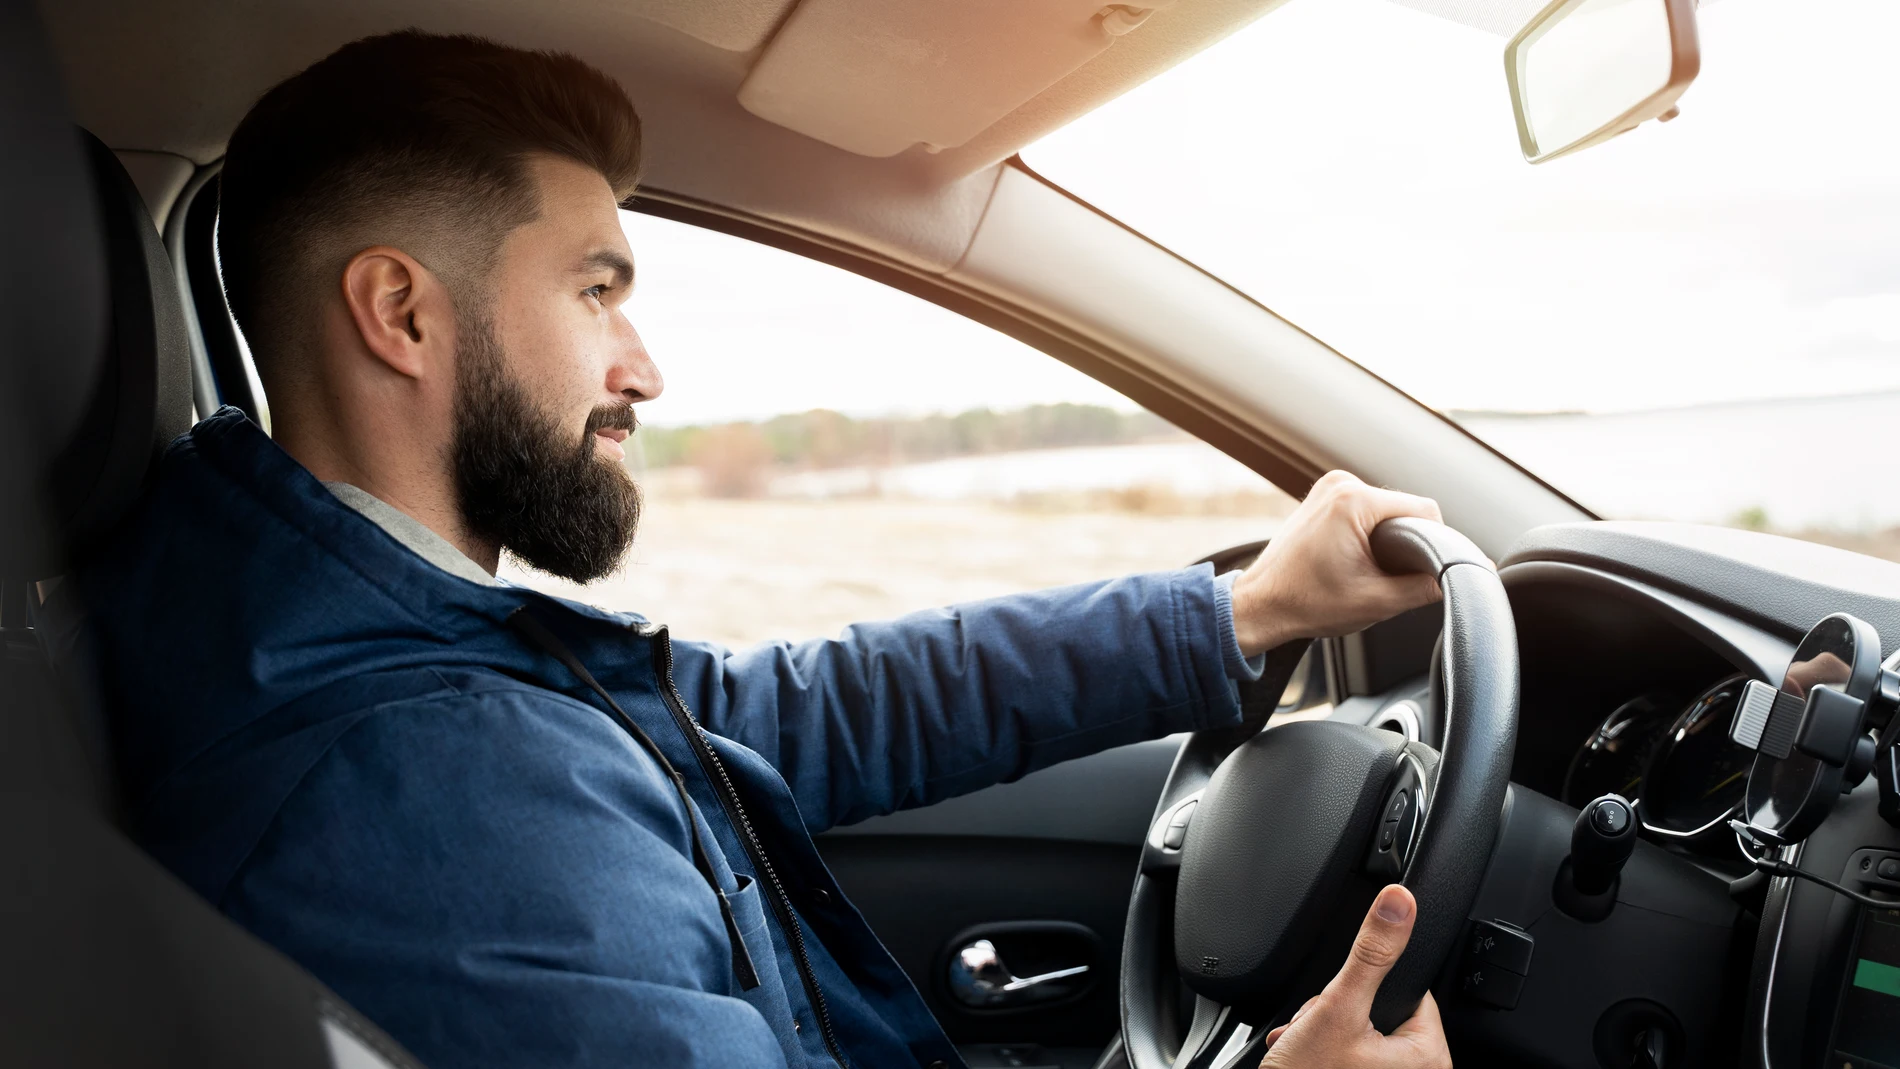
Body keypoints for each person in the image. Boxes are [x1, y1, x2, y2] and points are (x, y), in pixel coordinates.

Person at [62, 30, 1451, 1069]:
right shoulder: (424, 793)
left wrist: (1239, 612)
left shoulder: (301, 606)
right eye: (595, 292)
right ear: (401, 316)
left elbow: (757, 715)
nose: (644, 367)